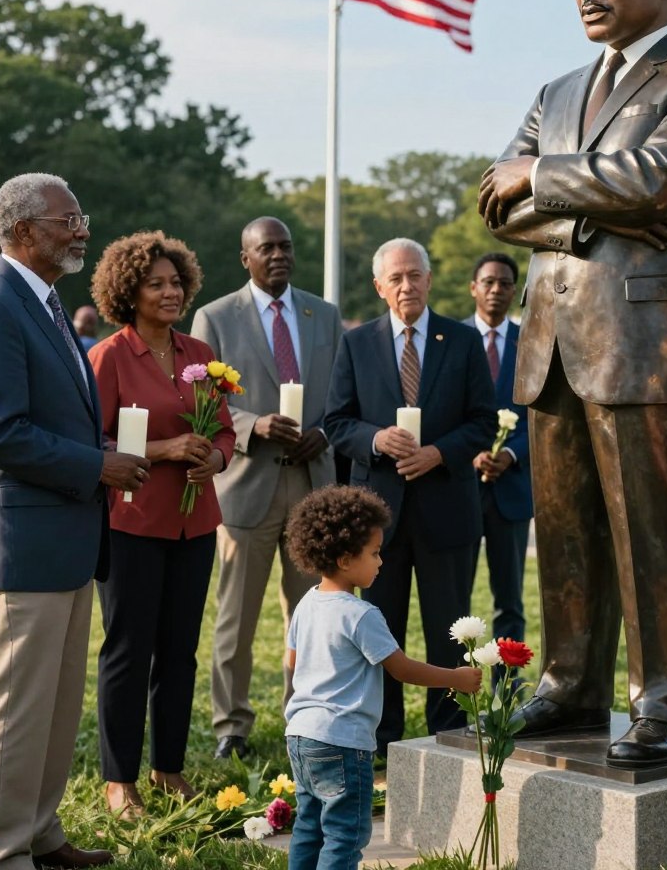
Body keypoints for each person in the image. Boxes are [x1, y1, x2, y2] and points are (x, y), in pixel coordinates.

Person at [478, 0, 667, 765]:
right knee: (563, 531)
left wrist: (548, 180)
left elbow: (663, 177)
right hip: (554, 338)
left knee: (654, 531)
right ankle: (569, 686)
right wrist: (602, 214)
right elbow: (497, 202)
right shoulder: (557, 91)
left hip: (648, 339)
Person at [0, 173, 148, 870]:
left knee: (57, 705)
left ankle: (40, 835)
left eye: (80, 216)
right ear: (24, 231)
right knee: (15, 710)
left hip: (65, 538)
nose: (82, 230)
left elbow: (50, 418)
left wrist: (100, 452)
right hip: (22, 545)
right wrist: (94, 467)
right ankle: (1, 855)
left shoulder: (41, 301)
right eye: (68, 219)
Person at [324, 238, 496, 758]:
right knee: (381, 634)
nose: (407, 286)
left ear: (429, 278)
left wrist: (439, 453)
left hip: (447, 512)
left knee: (449, 630)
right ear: (379, 287)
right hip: (379, 521)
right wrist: (376, 440)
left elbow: (483, 421)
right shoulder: (357, 344)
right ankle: (383, 743)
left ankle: (452, 737)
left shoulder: (462, 341)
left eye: (414, 275)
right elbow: (336, 422)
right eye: (395, 278)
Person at [88, 231, 235, 817]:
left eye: (176, 282)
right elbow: (93, 441)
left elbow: (223, 430)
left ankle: (168, 770)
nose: (171, 292)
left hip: (196, 524)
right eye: (157, 284)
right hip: (131, 523)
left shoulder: (200, 353)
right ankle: (119, 781)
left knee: (180, 652)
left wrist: (215, 458)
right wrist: (168, 449)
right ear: (130, 291)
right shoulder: (108, 356)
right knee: (128, 650)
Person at [190, 216, 343, 759]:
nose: (278, 255)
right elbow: (204, 404)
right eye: (266, 248)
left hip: (311, 483)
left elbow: (342, 395)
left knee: (311, 617)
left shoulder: (323, 315)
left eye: (286, 246)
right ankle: (231, 726)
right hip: (246, 487)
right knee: (236, 617)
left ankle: (304, 717)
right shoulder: (214, 317)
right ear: (245, 258)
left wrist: (324, 431)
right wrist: (253, 424)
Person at [283, 484, 482, 870]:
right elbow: (402, 669)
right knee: (344, 836)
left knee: (309, 827)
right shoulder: (361, 614)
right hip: (342, 742)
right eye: (374, 553)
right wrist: (455, 678)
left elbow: (292, 662)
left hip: (301, 735)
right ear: (344, 558)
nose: (381, 561)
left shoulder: (307, 602)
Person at [464, 253, 532, 656]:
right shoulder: (451, 340)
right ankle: (458, 691)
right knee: (454, 601)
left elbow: (543, 419)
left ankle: (505, 698)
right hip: (460, 487)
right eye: (487, 282)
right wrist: (472, 451)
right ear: (474, 287)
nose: (495, 290)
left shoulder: (532, 342)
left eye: (505, 284)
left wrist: (510, 453)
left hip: (513, 489)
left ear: (515, 291)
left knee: (511, 602)